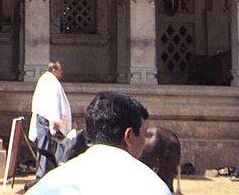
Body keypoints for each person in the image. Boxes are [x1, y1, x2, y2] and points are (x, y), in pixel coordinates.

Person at [28, 91, 170, 194]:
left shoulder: (47, 185)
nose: (144, 141)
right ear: (129, 136)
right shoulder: (152, 187)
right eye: (144, 134)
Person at [29, 61, 71, 178]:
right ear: (54, 70)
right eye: (60, 70)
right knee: (47, 146)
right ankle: (42, 173)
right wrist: (56, 121)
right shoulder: (50, 82)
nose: (61, 72)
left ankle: (47, 172)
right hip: (48, 119)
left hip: (46, 118)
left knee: (49, 145)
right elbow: (52, 103)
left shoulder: (46, 80)